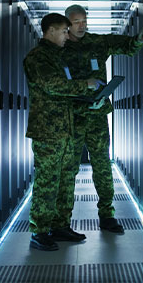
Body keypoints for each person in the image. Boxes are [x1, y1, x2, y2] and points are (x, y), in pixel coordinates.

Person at [23, 13, 103, 251]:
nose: (67, 36)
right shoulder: (37, 58)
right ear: (50, 31)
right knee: (47, 182)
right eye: (63, 31)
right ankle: (39, 230)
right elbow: (53, 86)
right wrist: (86, 84)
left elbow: (65, 90)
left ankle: (59, 225)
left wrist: (90, 97)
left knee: (66, 180)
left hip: (66, 130)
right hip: (48, 132)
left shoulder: (58, 58)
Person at [62, 4, 143, 234]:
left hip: (96, 116)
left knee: (102, 165)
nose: (82, 25)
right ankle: (62, 222)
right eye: (77, 22)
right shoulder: (59, 47)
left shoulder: (97, 42)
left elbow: (127, 46)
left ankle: (107, 215)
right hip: (72, 117)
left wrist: (140, 38)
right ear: (67, 24)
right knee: (69, 168)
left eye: (84, 20)